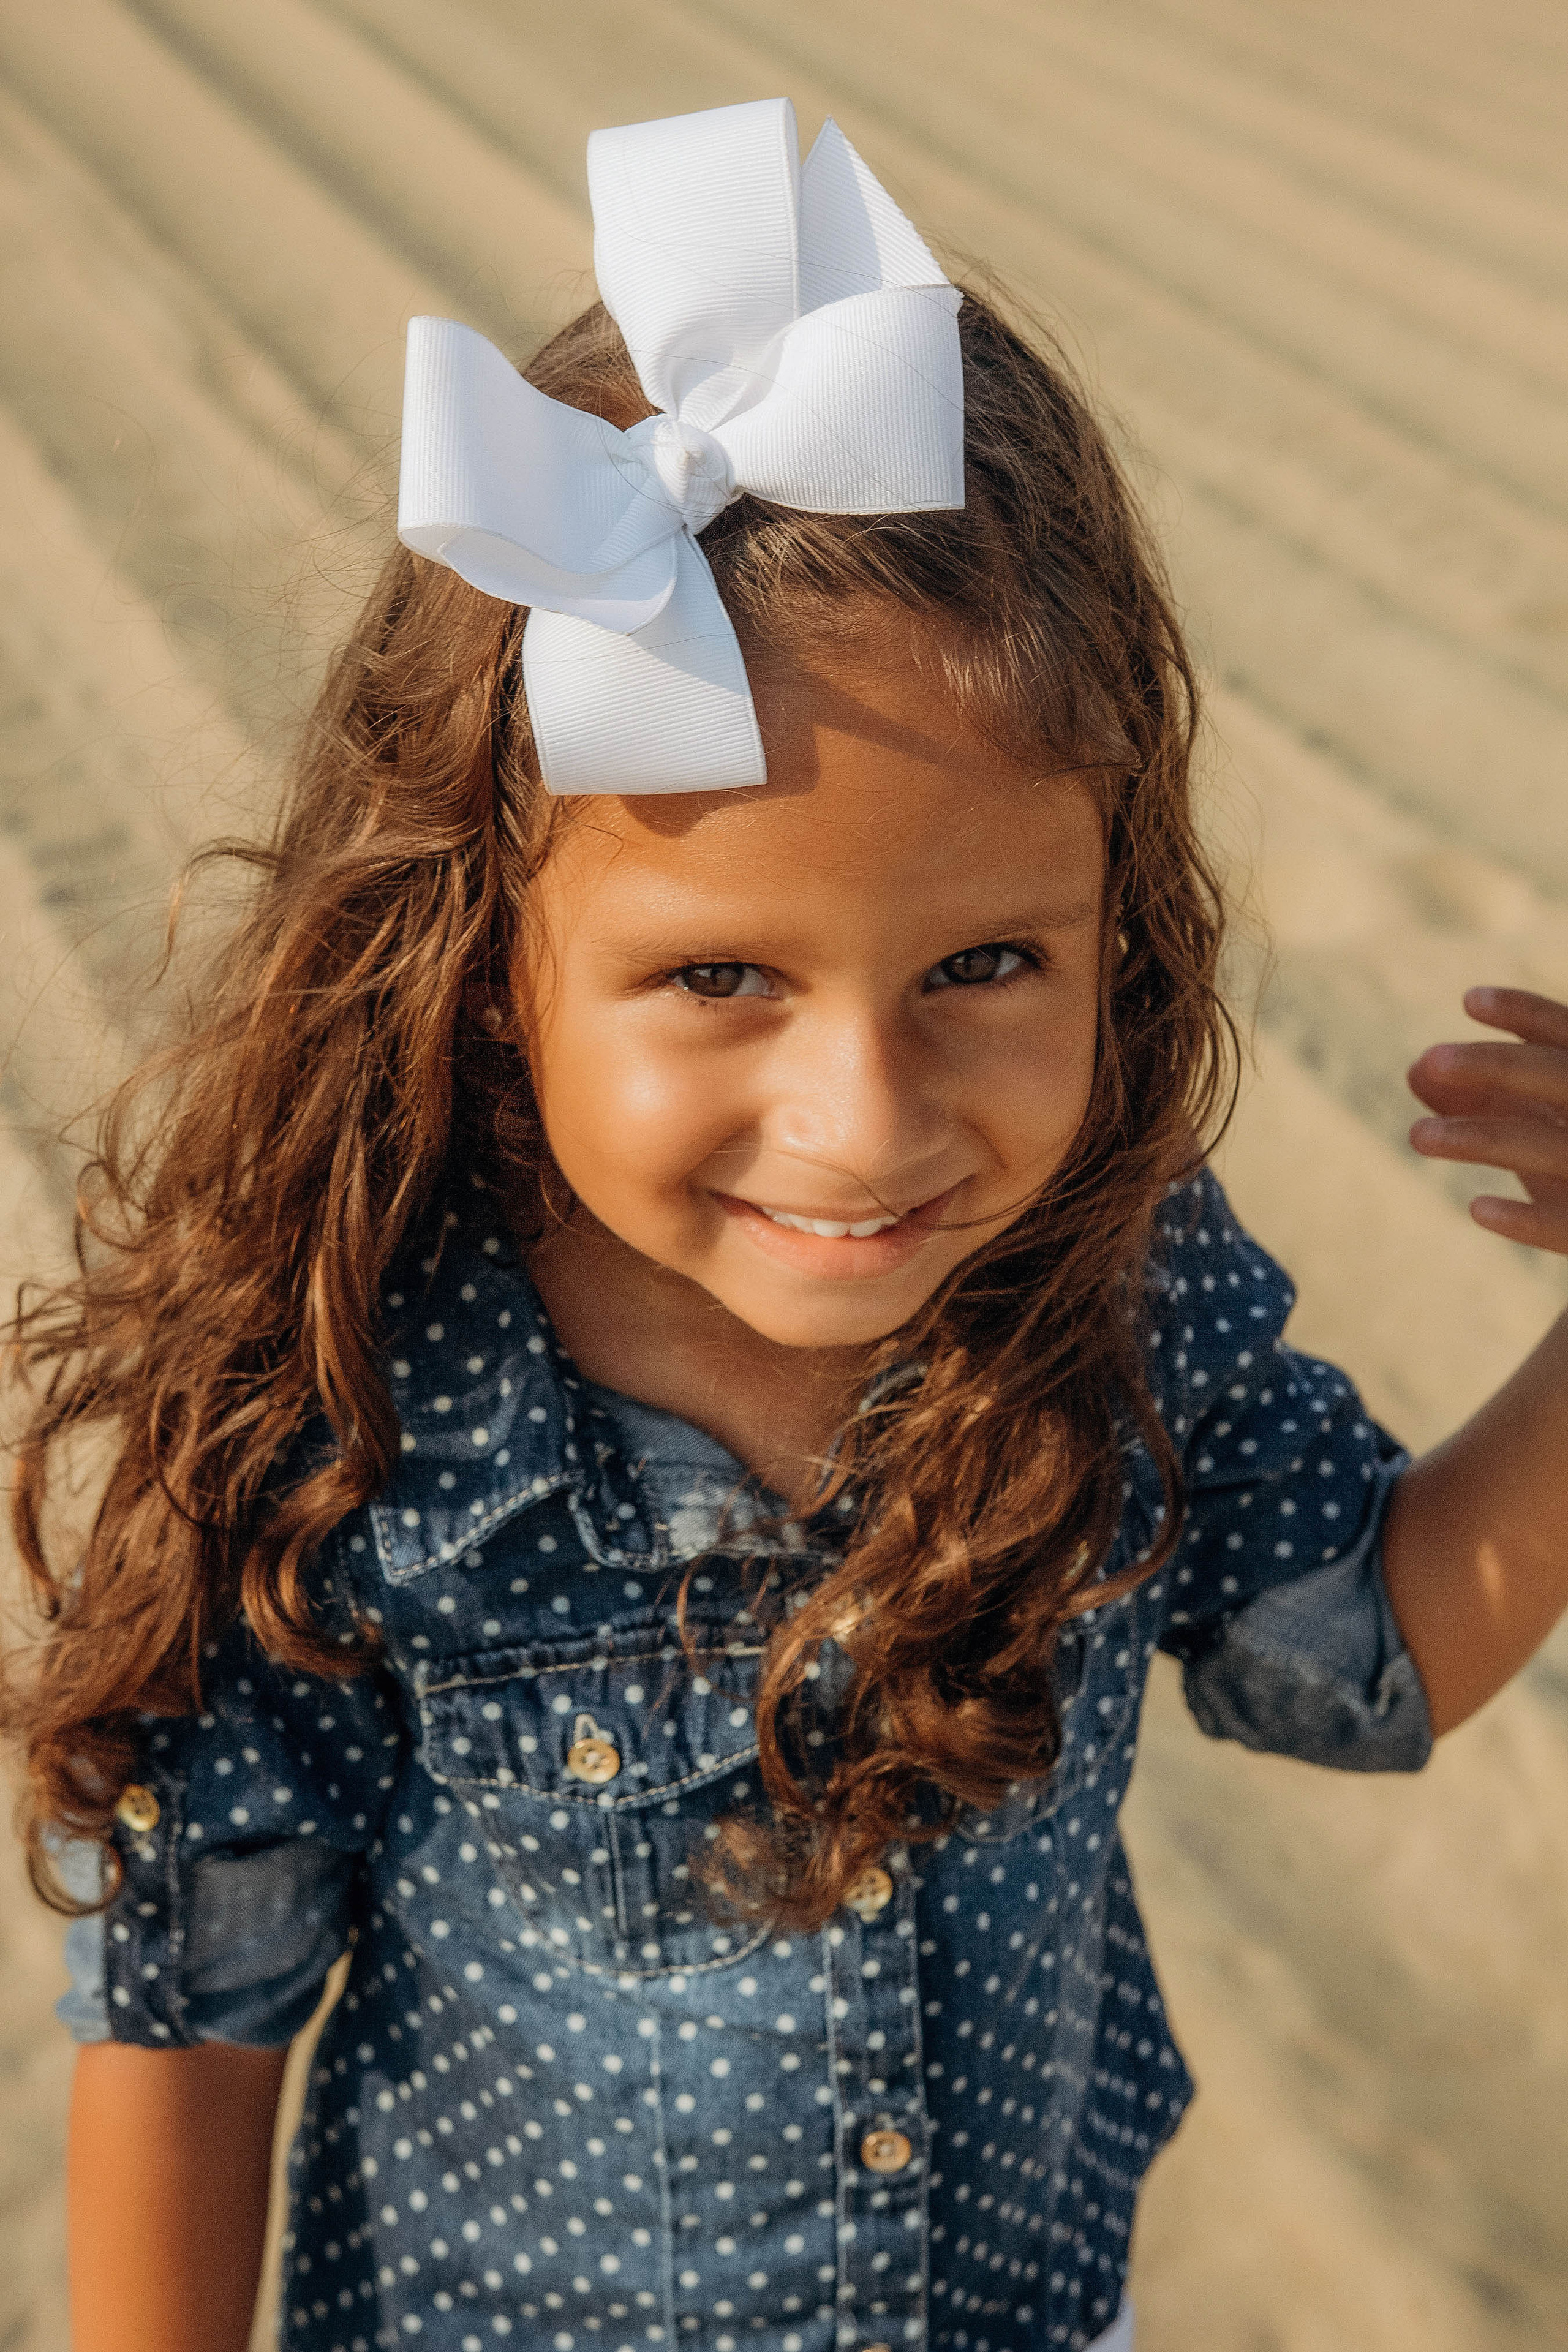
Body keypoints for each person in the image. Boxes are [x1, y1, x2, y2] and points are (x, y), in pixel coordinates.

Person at [7, 97, 1568, 2352]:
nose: (866, 1122)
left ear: (1117, 928)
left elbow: (1367, 1653)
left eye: (982, 969)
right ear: (480, 956)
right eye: (719, 978)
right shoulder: (358, 1407)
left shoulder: (1102, 1284)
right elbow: (190, 2010)